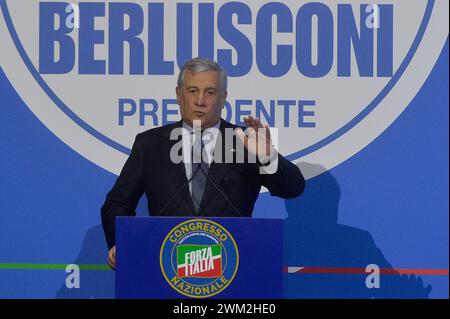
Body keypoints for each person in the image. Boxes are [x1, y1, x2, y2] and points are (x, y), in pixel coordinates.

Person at [101, 58, 305, 269]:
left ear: (223, 98)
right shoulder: (150, 144)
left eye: (210, 92)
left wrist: (267, 157)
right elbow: (117, 203)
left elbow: (292, 188)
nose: (200, 100)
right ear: (179, 95)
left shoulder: (245, 141)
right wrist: (121, 241)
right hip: (165, 267)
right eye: (192, 90)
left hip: (232, 268)